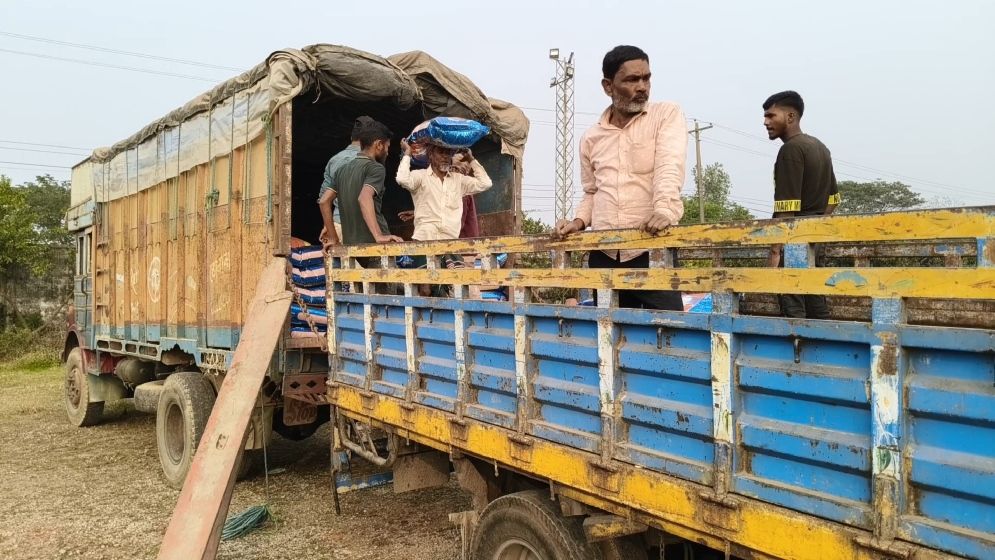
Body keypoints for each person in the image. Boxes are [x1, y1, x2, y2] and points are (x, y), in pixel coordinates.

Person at [553, 45, 687, 311]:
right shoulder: (591, 137)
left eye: (646, 78)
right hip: (603, 251)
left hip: (651, 247)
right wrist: (578, 222)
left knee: (668, 331)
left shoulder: (665, 115)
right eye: (631, 80)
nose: (642, 87)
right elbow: (592, 191)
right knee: (609, 333)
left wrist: (664, 209)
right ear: (608, 86)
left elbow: (669, 167)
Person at [762, 90, 841, 319]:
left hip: (794, 241)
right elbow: (833, 200)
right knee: (816, 302)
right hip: (816, 241)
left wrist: (776, 251)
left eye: (771, 116)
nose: (766, 122)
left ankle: (796, 350)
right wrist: (815, 230)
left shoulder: (791, 150)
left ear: (790, 117)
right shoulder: (820, 147)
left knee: (793, 305)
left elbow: (786, 209)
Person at [332, 119, 402, 268]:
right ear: (378, 145)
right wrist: (379, 236)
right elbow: (364, 198)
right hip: (374, 247)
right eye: (387, 147)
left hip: (353, 247)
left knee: (365, 289)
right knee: (387, 289)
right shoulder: (376, 168)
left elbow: (324, 201)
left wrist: (333, 237)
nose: (388, 152)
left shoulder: (341, 170)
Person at [318, 116, 376, 249]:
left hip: (337, 227)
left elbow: (324, 198)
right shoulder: (370, 162)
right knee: (368, 270)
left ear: (352, 137)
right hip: (362, 231)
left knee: (338, 270)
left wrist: (328, 226)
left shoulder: (334, 160)